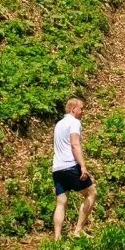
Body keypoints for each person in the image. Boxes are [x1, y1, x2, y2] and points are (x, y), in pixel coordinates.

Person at [51, 97, 96, 239]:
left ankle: (57, 238)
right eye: (81, 108)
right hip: (70, 165)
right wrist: (83, 166)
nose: (82, 112)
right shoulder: (74, 123)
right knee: (91, 193)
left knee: (61, 202)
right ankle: (78, 231)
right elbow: (75, 144)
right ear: (73, 109)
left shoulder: (59, 124)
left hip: (57, 168)